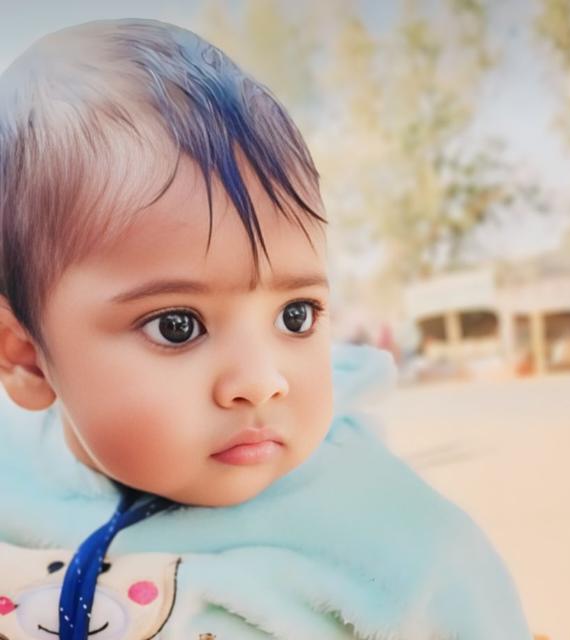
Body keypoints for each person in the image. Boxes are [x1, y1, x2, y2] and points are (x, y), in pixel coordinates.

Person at [0, 18, 531, 639]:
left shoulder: (398, 544)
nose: (261, 381)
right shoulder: (12, 483)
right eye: (178, 326)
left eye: (295, 315)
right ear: (27, 357)